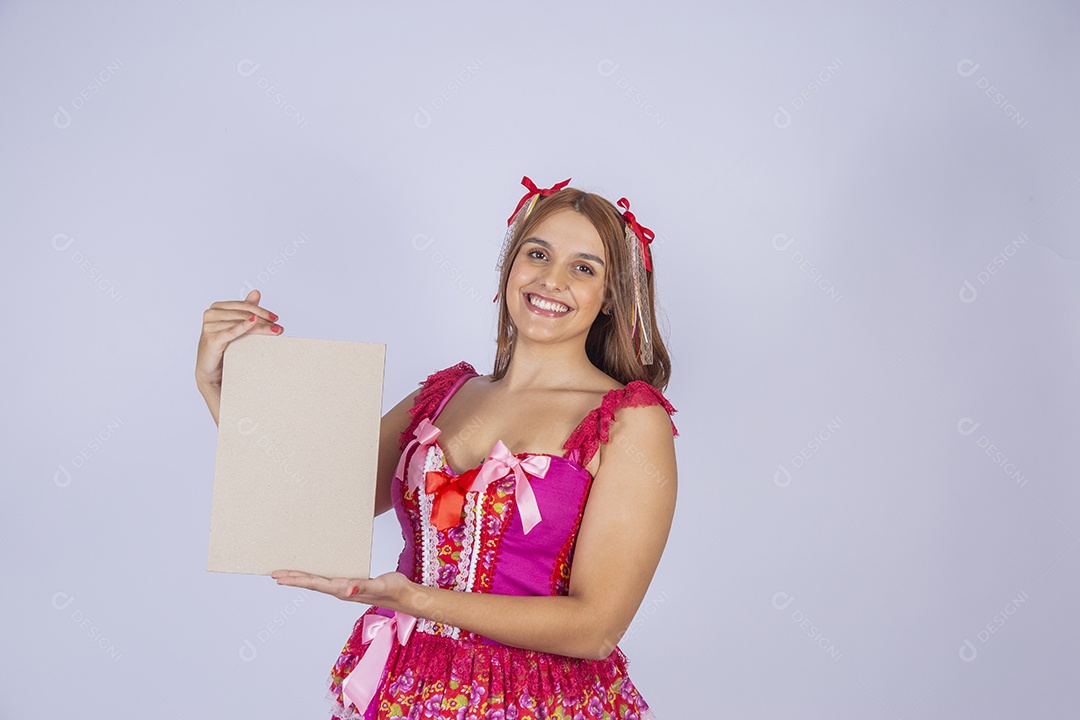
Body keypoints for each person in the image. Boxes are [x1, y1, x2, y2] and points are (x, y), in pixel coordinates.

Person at [195, 176, 680, 719]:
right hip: (405, 688)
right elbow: (316, 500)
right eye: (537, 254)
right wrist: (221, 389)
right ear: (510, 265)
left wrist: (412, 599)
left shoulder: (630, 421)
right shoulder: (442, 396)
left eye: (583, 268)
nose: (551, 279)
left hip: (538, 702)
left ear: (611, 295)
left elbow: (596, 628)